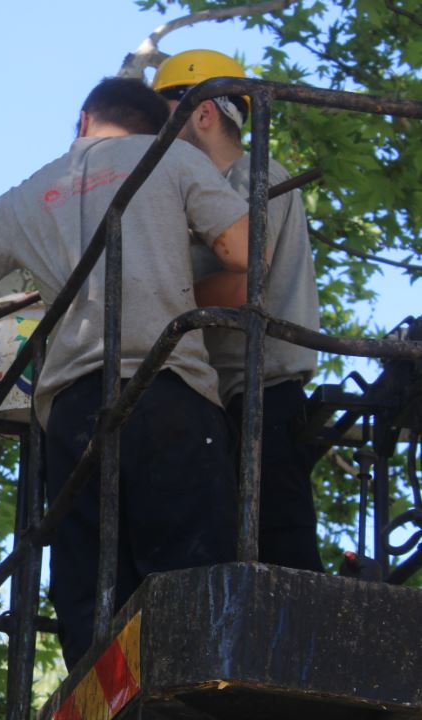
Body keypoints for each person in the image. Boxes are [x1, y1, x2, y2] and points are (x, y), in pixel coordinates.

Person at [0, 77, 252, 670]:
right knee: (195, 586)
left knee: (93, 595)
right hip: (166, 391)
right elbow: (246, 253)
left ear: (83, 119)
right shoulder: (169, 157)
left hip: (71, 416)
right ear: (156, 124)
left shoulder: (30, 193)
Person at [153, 49, 325, 573]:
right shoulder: (202, 194)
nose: (152, 140)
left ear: (202, 113)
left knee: (280, 558)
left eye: (163, 118)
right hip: (225, 397)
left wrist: (153, 294)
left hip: (263, 394)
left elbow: (240, 287)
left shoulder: (253, 173)